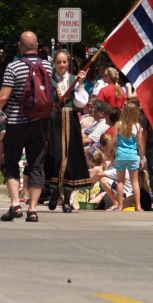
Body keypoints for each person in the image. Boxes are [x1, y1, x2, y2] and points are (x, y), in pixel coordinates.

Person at [0, 31, 53, 222]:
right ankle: (33, 209)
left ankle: (15, 204)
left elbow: (3, 96)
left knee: (11, 163)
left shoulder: (13, 67)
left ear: (20, 46)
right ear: (37, 47)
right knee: (37, 165)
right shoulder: (47, 65)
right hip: (40, 123)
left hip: (16, 122)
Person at [45, 49, 91, 212]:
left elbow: (80, 103)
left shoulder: (74, 79)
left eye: (64, 62)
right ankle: (55, 192)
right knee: (56, 158)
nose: (62, 65)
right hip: (55, 122)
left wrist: (80, 84)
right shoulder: (49, 80)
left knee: (70, 160)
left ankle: (66, 200)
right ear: (54, 63)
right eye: (59, 62)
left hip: (70, 121)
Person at [106, 100, 146, 212]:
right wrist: (142, 158)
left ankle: (120, 206)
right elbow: (140, 144)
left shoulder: (118, 124)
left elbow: (113, 141)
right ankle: (138, 206)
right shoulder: (137, 126)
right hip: (132, 155)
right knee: (135, 182)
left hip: (120, 155)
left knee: (120, 181)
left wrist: (106, 153)